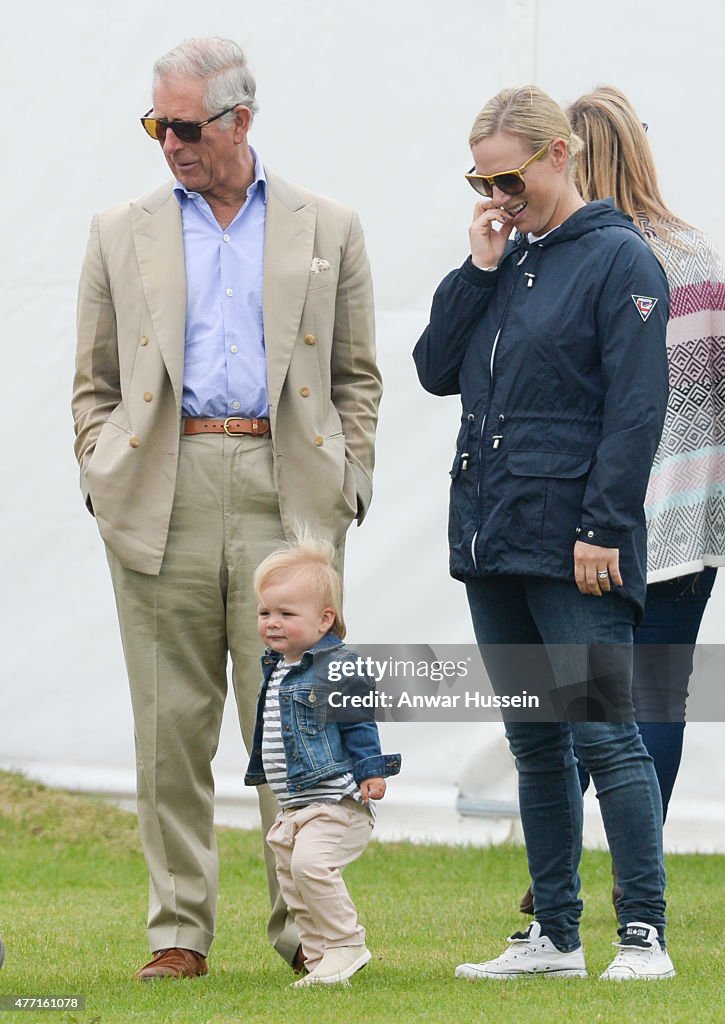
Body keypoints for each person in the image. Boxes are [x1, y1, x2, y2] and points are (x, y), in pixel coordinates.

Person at [72, 37, 381, 980]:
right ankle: (178, 934)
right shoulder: (117, 227)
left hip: (285, 491)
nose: (168, 142)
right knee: (168, 729)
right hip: (157, 488)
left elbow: (355, 378)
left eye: (185, 125)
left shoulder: (327, 226)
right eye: (156, 123)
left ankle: (306, 934)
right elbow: (93, 383)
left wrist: (346, 483)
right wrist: (101, 471)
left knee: (297, 729)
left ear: (241, 120)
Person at [414, 85, 675, 981]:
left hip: (577, 544)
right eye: (480, 181)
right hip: (493, 537)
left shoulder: (621, 262)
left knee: (605, 731)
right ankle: (553, 936)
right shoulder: (505, 261)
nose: (496, 197)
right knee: (534, 738)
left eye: (508, 178)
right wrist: (478, 267)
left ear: (558, 154)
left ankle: (643, 933)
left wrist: (603, 523)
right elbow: (434, 370)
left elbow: (637, 412)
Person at [567, 86, 725, 819]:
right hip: (691, 516)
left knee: (578, 691)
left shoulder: (589, 259)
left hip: (600, 513)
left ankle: (555, 865)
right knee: (658, 693)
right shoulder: (697, 257)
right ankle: (641, 877)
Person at [245, 536, 401, 986]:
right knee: (292, 879)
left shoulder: (336, 665)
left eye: (286, 614)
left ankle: (347, 943)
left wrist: (371, 771)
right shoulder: (276, 666)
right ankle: (320, 961)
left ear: (324, 619)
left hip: (336, 800)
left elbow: (358, 721)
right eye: (265, 612)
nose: (272, 623)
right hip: (295, 806)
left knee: (312, 867)